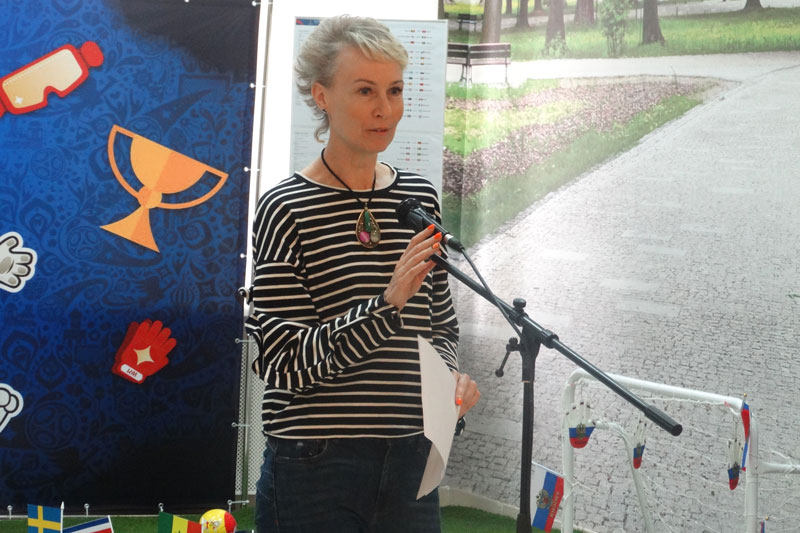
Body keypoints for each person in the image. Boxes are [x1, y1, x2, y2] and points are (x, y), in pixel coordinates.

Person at [245, 15, 480, 533]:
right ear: (322, 96)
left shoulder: (419, 199)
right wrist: (386, 306)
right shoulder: (286, 208)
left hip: (412, 456)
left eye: (394, 90)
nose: (385, 109)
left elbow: (440, 327)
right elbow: (282, 361)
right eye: (365, 90)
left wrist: (447, 381)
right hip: (315, 463)